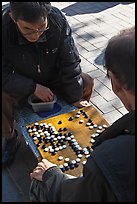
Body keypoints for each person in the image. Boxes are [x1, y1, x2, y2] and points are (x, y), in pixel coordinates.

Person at [29, 27, 135, 202]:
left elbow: (79, 196)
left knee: (39, 183)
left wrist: (52, 175)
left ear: (115, 83)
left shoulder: (112, 158)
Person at [2, 2, 94, 168]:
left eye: (41, 27)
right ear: (13, 18)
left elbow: (70, 61)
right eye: (28, 29)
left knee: (86, 81)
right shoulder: (3, 29)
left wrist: (75, 97)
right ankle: (10, 138)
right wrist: (33, 87)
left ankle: (73, 118)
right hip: (20, 80)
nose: (35, 35)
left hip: (52, 76)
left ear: (47, 14)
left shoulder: (57, 20)